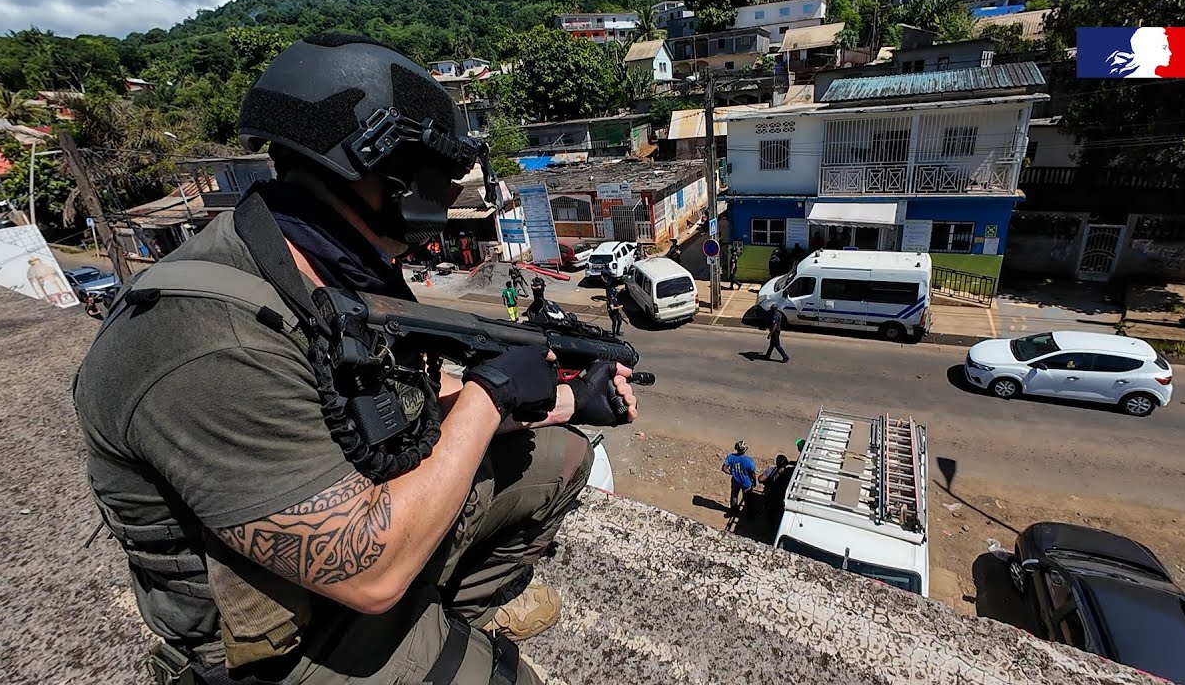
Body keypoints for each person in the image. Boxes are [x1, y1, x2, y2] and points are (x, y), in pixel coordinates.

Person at [72, 34, 638, 685]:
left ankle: (455, 614)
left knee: (563, 456)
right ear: (383, 173)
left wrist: (571, 398)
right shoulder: (207, 340)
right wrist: (488, 394)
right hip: (287, 624)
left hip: (359, 515)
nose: (445, 198)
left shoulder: (324, 263)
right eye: (436, 176)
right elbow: (367, 574)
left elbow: (404, 413)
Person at [758, 454, 796, 528]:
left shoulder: (772, 470)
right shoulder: (791, 471)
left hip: (771, 494)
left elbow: (760, 479)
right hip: (783, 495)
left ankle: (771, 526)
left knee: (771, 512)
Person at [721, 441, 757, 518]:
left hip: (735, 481)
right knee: (747, 499)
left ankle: (733, 511)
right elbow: (752, 473)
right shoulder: (749, 460)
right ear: (745, 450)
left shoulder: (731, 457)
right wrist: (754, 481)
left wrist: (732, 473)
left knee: (734, 496)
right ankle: (749, 515)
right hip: (746, 483)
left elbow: (724, 468)